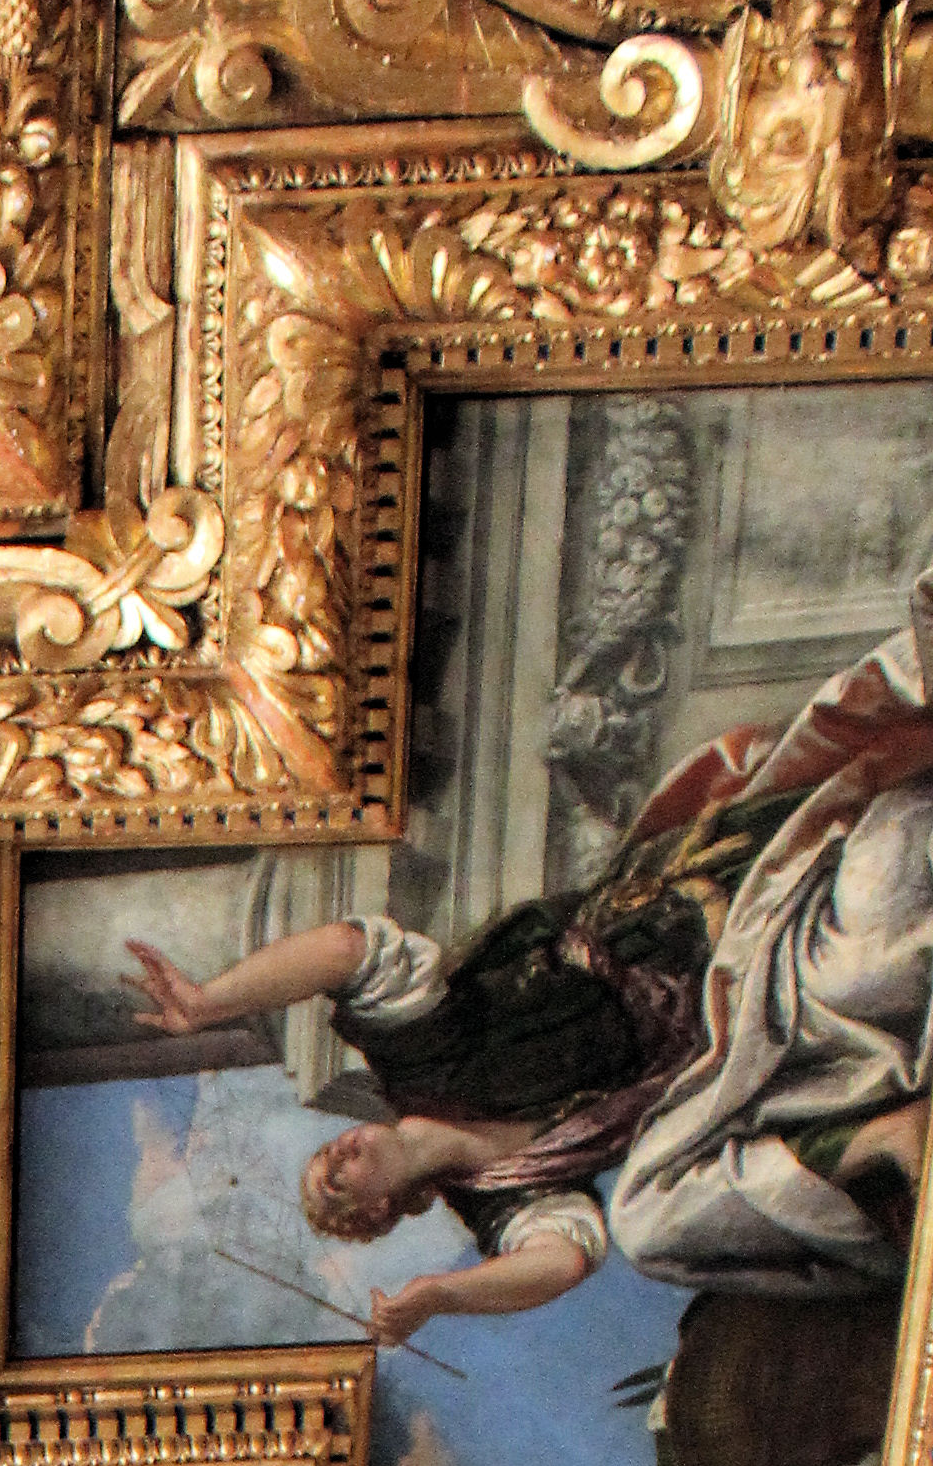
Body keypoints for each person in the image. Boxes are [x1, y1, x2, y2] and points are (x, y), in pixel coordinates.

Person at [119, 573, 933, 1386]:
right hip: (733, 1061)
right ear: (381, 1210)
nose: (335, 1153)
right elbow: (559, 1263)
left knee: (867, 950)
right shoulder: (505, 1200)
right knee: (648, 1225)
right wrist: (439, 1293)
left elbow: (345, 948)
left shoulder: (417, 1053)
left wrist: (210, 1002)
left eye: (323, 1157)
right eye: (336, 1182)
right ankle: (873, 1143)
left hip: (709, 919)